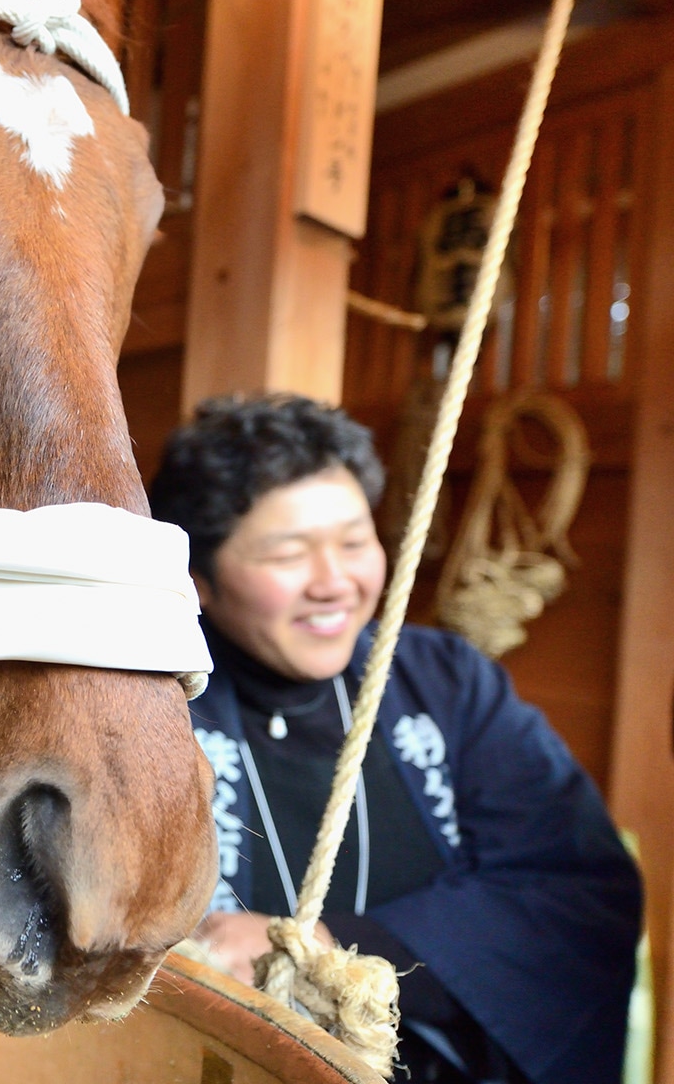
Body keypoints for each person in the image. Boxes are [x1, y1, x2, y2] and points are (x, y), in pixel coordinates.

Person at [148, 394, 639, 1084]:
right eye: (288, 553)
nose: (335, 582)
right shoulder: (157, 710)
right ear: (201, 580)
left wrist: (318, 947)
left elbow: (577, 889)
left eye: (355, 543)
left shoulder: (447, 683)